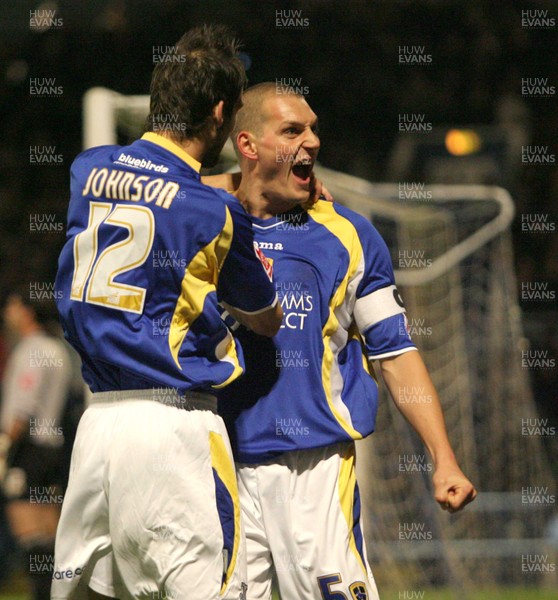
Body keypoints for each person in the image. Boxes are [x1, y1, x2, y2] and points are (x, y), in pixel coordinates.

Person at [211, 83, 477, 600]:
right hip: (219, 466)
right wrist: (233, 186)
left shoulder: (349, 235)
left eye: (313, 129)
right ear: (247, 145)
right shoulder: (204, 222)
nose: (311, 141)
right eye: (292, 130)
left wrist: (441, 455)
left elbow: (395, 352)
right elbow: (161, 190)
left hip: (314, 469)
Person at [51, 27, 282, 600]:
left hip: (96, 431)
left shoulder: (88, 170)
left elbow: (154, 189)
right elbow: (265, 317)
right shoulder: (216, 214)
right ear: (222, 113)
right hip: (173, 431)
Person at [0, 293, 72, 600]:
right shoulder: (59, 347)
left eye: (12, 305)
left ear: (27, 311)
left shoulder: (32, 350)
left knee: (28, 530)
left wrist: (3, 446)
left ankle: (43, 594)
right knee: (49, 530)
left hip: (30, 450)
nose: (6, 312)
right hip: (54, 448)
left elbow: (22, 410)